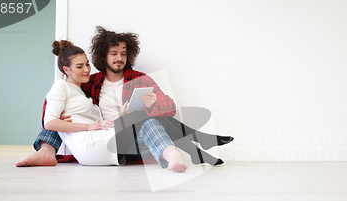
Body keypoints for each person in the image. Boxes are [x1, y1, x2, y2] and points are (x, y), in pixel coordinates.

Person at [16, 26, 233, 168]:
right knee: (59, 117)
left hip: (134, 139)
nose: (119, 58)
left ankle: (184, 152)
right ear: (104, 55)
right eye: (114, 53)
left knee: (146, 120)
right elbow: (51, 112)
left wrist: (153, 104)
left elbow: (170, 108)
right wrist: (61, 117)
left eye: (123, 53)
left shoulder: (140, 79)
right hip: (104, 138)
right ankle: (200, 144)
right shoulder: (88, 82)